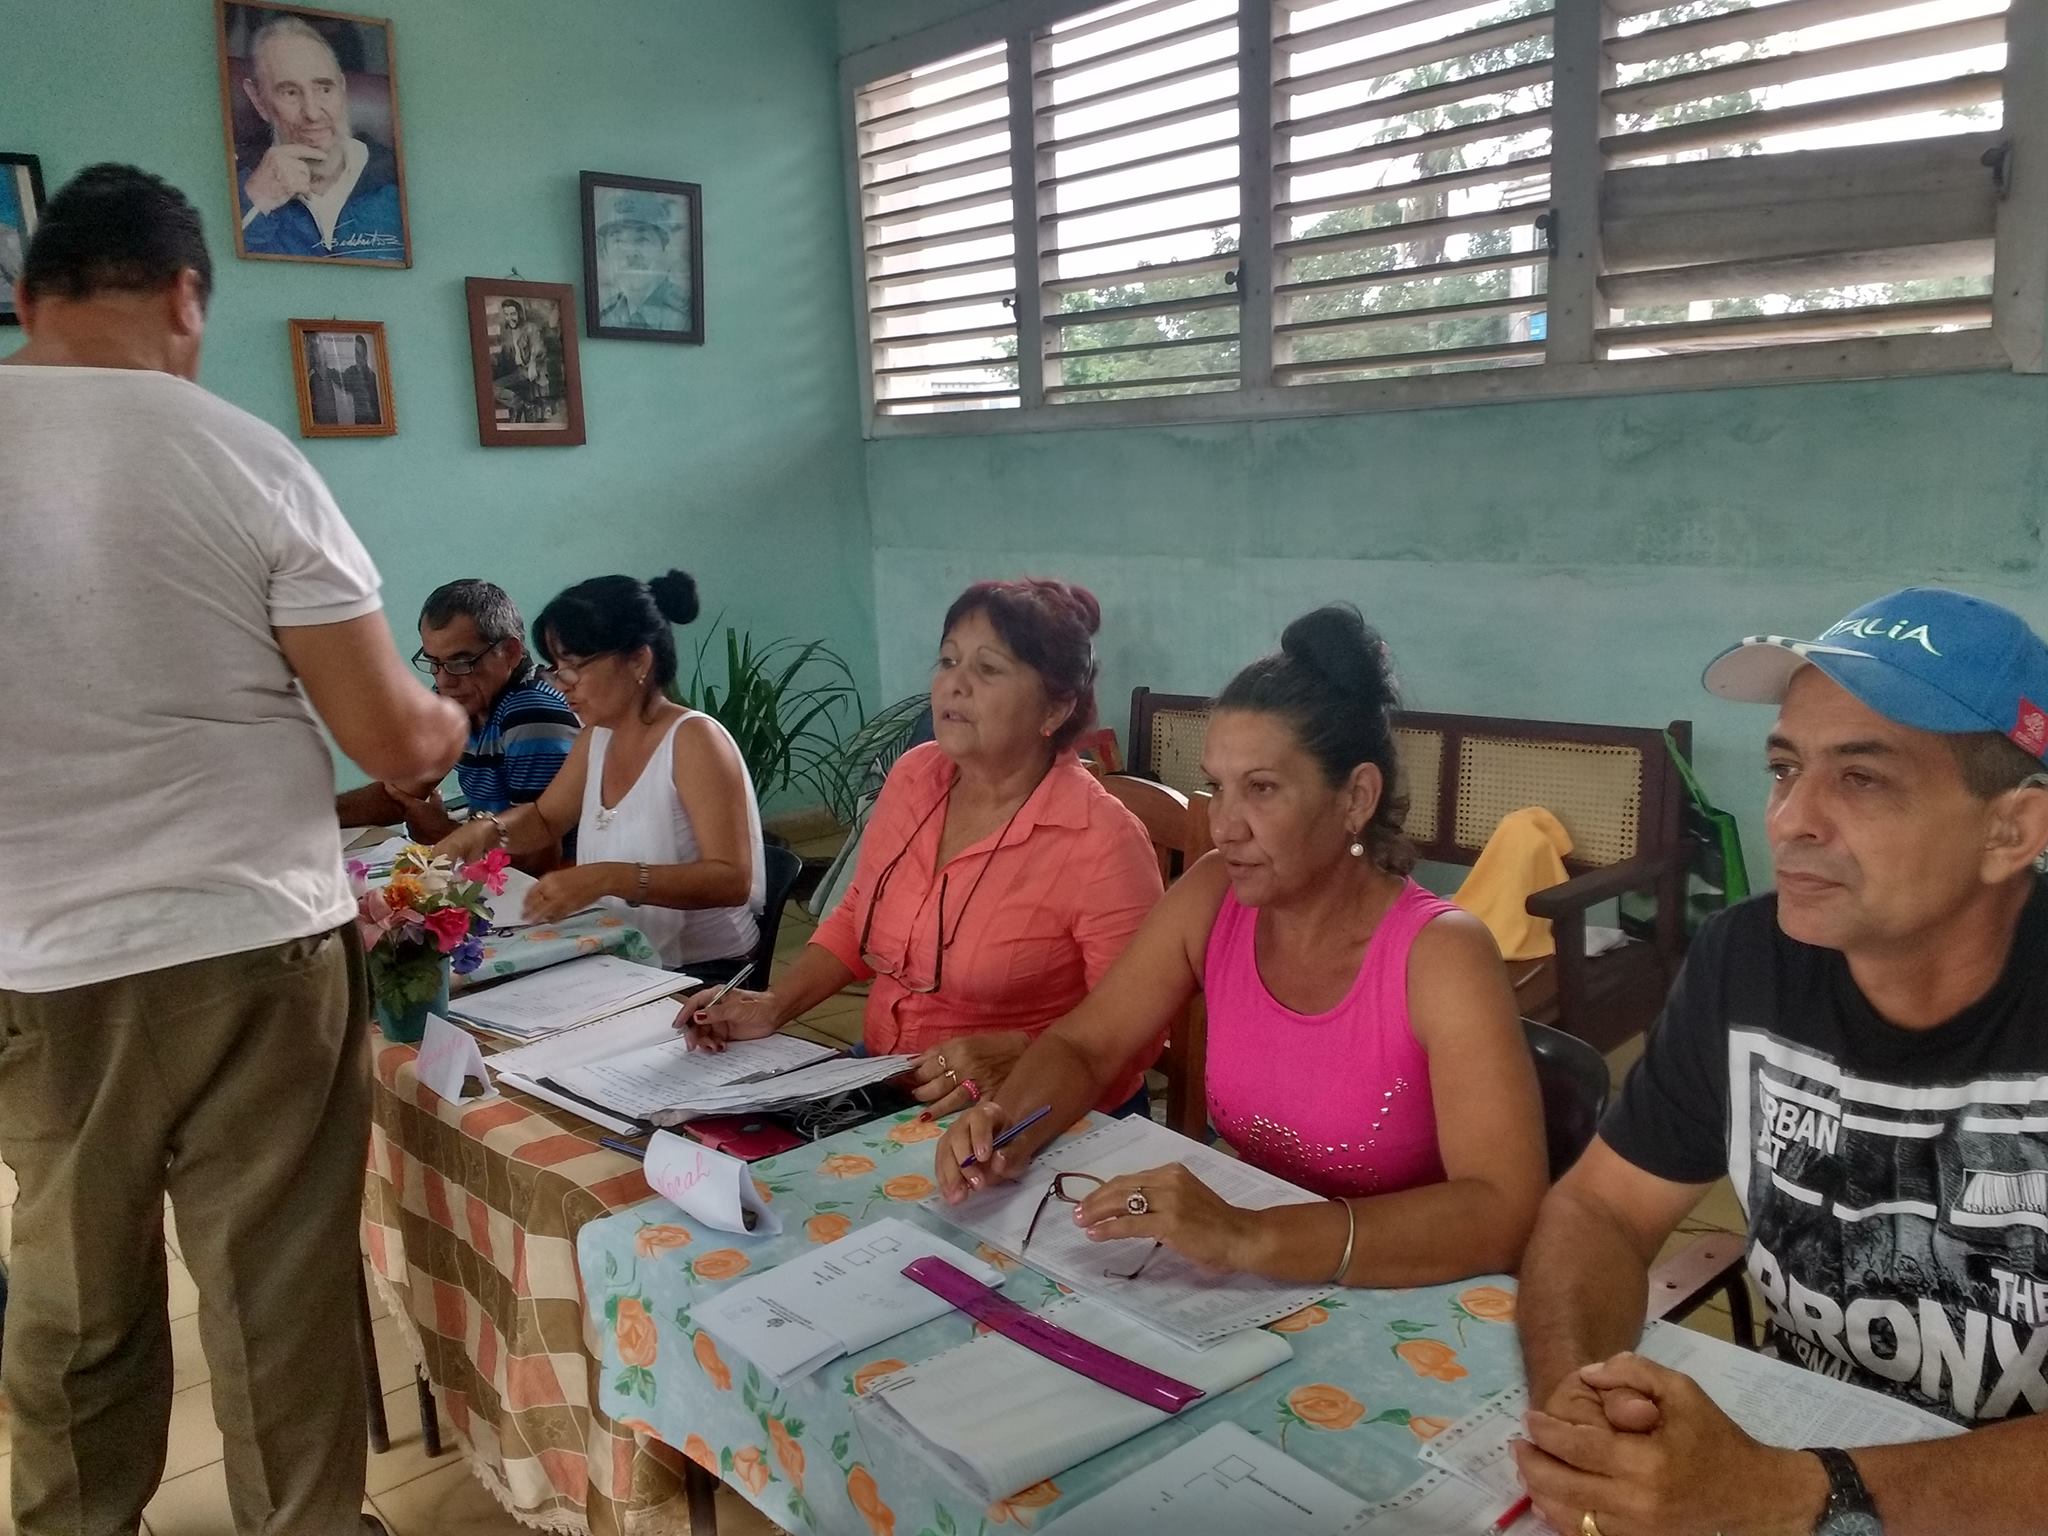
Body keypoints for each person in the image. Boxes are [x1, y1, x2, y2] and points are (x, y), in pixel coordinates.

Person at [0, 164, 465, 1536]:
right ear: (186, 292)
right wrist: (442, 719)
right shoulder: (243, 453)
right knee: (274, 1285)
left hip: (42, 963)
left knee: (73, 1294)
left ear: (29, 298)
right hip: (253, 950)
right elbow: (389, 739)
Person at [1513, 588, 2048, 1536]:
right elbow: (1598, 1208)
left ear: (2012, 831)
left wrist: (1792, 1494)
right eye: (1784, 768)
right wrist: (1581, 1407)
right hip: (1789, 1455)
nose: (1791, 818)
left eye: (1862, 779)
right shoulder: (1745, 962)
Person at [933, 605, 1548, 1290]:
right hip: (1249, 1286)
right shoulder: (1212, 897)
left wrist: (1250, 1236)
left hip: (1399, 1288)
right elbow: (1088, 1046)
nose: (1225, 826)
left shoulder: (1440, 957)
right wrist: (1009, 1128)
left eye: (1261, 789)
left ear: (1356, 798)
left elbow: (1502, 1211)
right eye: (1217, 787)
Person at [687, 580, 1166, 1118]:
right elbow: (857, 916)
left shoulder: (1101, 840)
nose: (953, 686)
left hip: (1033, 1113)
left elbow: (1138, 1033)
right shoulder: (915, 776)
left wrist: (1027, 1050)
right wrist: (774, 1005)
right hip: (890, 1082)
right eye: (947, 661)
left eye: (987, 669)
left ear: (1054, 710)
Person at [435, 570, 764, 977]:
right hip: (625, 951)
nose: (562, 684)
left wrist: (608, 878)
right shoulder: (598, 737)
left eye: (573, 666)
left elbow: (731, 879)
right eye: (556, 667)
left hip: (704, 970)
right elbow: (545, 818)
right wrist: (488, 831)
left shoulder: (694, 740)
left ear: (638, 660)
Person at [337, 579, 580, 867]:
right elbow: (399, 793)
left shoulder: (532, 713)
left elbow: (541, 858)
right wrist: (309, 816)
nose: (443, 680)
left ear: (510, 653)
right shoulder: (460, 698)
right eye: (434, 663)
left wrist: (446, 834)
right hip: (495, 867)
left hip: (560, 891)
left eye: (461, 662)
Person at [235, 14, 404, 261]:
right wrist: (253, 204)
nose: (312, 113)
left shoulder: (395, 178)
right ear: (258, 100)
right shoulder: (238, 189)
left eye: (324, 88)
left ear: (342, 89)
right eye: (290, 92)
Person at [595, 189, 692, 332]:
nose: (631, 253)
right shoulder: (605, 316)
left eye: (642, 240)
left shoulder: (687, 313)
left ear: (663, 247)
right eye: (618, 241)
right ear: (605, 251)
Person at [340, 332, 380, 424]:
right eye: (355, 352)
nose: (357, 356)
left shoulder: (372, 376)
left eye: (359, 353)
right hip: (358, 418)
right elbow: (343, 383)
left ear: (365, 354)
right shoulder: (350, 372)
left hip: (372, 418)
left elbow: (375, 402)